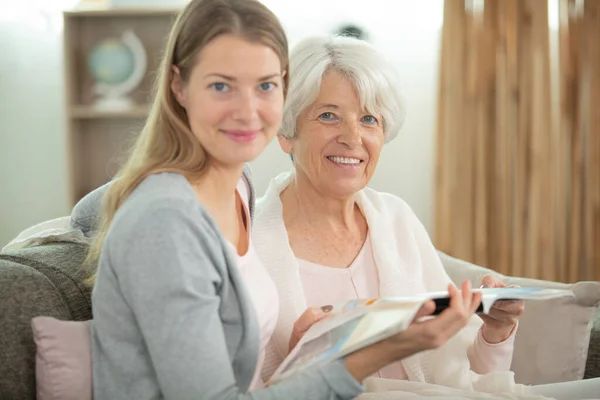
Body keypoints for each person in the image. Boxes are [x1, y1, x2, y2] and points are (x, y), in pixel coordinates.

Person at [79, 1, 484, 399]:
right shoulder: (165, 222)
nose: (248, 111)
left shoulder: (238, 186)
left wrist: (311, 349)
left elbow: (88, 214)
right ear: (179, 86)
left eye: (266, 86)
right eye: (221, 86)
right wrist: (384, 350)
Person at [251, 35, 600, 399]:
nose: (353, 137)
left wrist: (496, 333)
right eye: (328, 115)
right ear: (286, 132)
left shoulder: (397, 221)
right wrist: (299, 364)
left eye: (369, 119)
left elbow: (464, 380)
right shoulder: (248, 242)